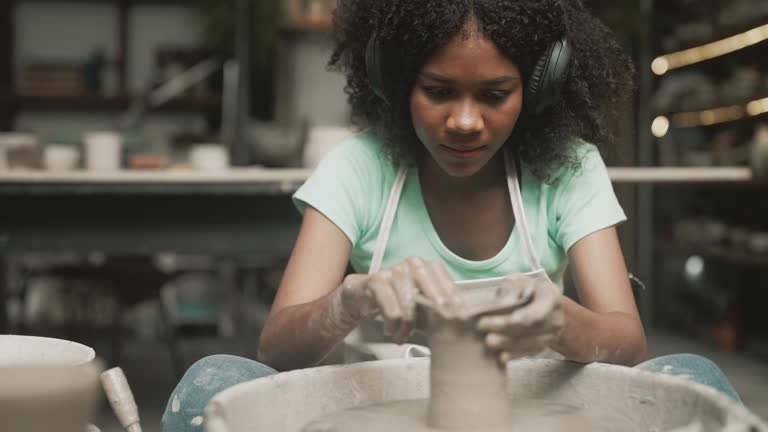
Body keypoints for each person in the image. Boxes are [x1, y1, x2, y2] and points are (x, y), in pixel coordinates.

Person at [162, 1, 740, 430]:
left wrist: (559, 321)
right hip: (387, 416)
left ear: (537, 90)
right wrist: (350, 301)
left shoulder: (568, 170)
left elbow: (628, 341)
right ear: (397, 83)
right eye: (438, 91)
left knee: (696, 378)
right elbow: (276, 350)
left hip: (537, 415)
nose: (465, 121)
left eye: (494, 95)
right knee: (211, 384)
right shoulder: (359, 168)